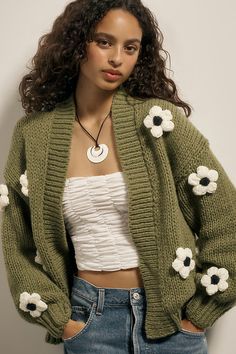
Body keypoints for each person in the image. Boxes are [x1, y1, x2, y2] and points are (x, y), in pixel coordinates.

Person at [1, 0, 236, 353]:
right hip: (88, 322)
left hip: (173, 327)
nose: (117, 59)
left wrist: (199, 316)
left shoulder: (160, 123)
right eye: (104, 42)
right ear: (77, 43)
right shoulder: (33, 136)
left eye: (130, 48)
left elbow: (227, 220)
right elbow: (15, 241)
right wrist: (63, 323)